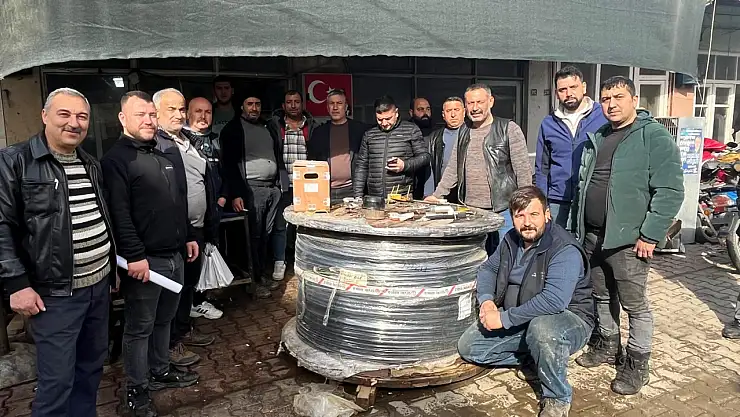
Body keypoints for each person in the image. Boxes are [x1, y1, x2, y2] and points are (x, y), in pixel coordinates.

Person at [0, 88, 115, 417]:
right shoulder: (15, 161)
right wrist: (16, 284)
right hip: (54, 295)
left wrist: (111, 270)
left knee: (90, 369)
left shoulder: (90, 163)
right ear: (44, 116)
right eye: (64, 114)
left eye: (82, 116)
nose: (74, 123)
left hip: (97, 288)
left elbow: (101, 218)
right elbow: (2, 225)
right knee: (57, 382)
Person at [570, 76, 684, 395]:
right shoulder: (600, 136)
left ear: (634, 100)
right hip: (594, 237)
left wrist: (650, 234)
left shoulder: (653, 136)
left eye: (618, 97)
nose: (611, 104)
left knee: (635, 305)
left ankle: (637, 364)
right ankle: (608, 345)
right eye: (606, 99)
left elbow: (670, 190)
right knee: (601, 296)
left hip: (629, 241)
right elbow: (583, 186)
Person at [102, 91, 199, 417]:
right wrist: (133, 256)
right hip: (145, 262)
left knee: (164, 320)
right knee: (139, 328)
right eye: (140, 114)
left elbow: (177, 200)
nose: (148, 120)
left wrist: (188, 236)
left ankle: (160, 371)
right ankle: (137, 390)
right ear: (122, 118)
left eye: (151, 114)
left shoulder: (163, 152)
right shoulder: (117, 160)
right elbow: (119, 214)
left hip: (175, 255)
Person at [458, 186, 593, 417]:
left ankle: (557, 397)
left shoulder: (564, 248)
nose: (527, 222)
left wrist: (503, 319)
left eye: (534, 214)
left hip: (568, 320)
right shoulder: (511, 239)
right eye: (519, 215)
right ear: (512, 217)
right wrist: (487, 301)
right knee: (469, 347)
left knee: (543, 331)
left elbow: (554, 301)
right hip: (523, 315)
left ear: (547, 214)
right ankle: (537, 355)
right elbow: (488, 269)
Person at [152, 89, 220, 367]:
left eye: (181, 109)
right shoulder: (156, 144)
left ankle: (183, 331)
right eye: (172, 109)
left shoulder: (188, 140)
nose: (179, 115)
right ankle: (170, 345)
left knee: (188, 285)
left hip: (196, 228)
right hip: (175, 231)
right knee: (173, 291)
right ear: (156, 113)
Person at [426, 84, 532, 252]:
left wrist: (526, 204)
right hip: (471, 210)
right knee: (476, 257)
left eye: (479, 102)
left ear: (491, 101)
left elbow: (523, 170)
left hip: (503, 209)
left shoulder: (508, 128)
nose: (475, 108)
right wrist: (436, 195)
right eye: (470, 103)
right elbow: (453, 168)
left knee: (506, 255)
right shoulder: (463, 131)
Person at [220, 95, 283, 298]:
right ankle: (252, 281)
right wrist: (236, 193)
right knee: (251, 237)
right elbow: (229, 164)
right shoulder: (233, 129)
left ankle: (261, 274)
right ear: (241, 106)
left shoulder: (267, 127)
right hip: (250, 190)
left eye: (257, 104)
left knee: (265, 235)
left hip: (271, 189)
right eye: (250, 104)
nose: (254, 108)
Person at [535, 66, 607, 227]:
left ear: (584, 87)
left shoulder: (603, 117)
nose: (568, 93)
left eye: (573, 87)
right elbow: (542, 168)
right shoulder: (549, 123)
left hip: (592, 199)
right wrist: (542, 203)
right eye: (562, 90)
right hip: (557, 201)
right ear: (556, 93)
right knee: (557, 241)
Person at [183, 97, 226, 320]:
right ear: (187, 114)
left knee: (208, 253)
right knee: (193, 258)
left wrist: (223, 197)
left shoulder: (216, 140)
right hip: (192, 215)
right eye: (198, 111)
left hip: (213, 211)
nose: (203, 116)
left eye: (207, 112)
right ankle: (193, 303)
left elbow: (226, 171)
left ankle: (200, 299)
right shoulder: (182, 142)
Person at [267, 90, 317, 281]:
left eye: (297, 101)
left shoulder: (312, 126)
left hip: (306, 184)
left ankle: (304, 261)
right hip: (283, 183)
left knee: (305, 224)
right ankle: (279, 261)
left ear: (302, 104)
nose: (293, 105)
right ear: (283, 105)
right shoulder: (275, 126)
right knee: (281, 225)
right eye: (289, 102)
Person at [353, 95, 430, 199]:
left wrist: (405, 165)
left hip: (402, 196)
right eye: (379, 119)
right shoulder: (369, 135)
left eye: (388, 118)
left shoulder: (411, 130)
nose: (384, 123)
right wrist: (357, 196)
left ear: (396, 113)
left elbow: (425, 157)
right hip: (374, 197)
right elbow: (361, 166)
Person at [307, 88, 369, 203]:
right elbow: (312, 162)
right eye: (332, 104)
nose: (335, 107)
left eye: (339, 103)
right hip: (325, 190)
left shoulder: (359, 129)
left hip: (352, 190)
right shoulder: (319, 132)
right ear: (327, 107)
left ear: (346, 107)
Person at [422, 96, 466, 201]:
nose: (453, 114)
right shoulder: (435, 137)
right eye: (449, 111)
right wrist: (428, 193)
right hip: (442, 193)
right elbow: (430, 167)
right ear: (443, 115)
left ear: (464, 112)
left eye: (456, 110)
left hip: (467, 194)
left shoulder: (472, 133)